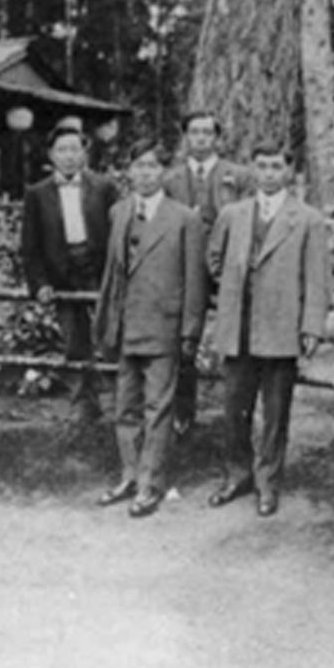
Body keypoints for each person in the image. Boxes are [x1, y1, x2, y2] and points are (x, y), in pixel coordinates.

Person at [204, 140, 330, 518]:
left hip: (280, 329)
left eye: (276, 166)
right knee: (234, 411)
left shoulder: (307, 219)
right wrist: (231, 291)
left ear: (288, 170)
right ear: (253, 170)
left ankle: (267, 483)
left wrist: (310, 327)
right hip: (239, 328)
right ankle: (237, 475)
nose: (269, 173)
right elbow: (214, 259)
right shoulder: (233, 214)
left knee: (275, 414)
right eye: (262, 166)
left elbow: (318, 280)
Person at [93, 139, 208, 518]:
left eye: (152, 167)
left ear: (164, 172)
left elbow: (195, 281)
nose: (145, 173)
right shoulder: (119, 213)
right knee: (125, 406)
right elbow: (113, 274)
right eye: (138, 166)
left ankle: (150, 483)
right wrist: (107, 321)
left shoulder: (184, 219)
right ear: (128, 172)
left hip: (164, 327)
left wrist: (190, 331)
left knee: (158, 408)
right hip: (126, 326)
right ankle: (129, 474)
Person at [19, 117, 122, 428]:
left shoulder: (104, 187)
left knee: (112, 335)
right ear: (51, 155)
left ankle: (124, 402)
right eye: (62, 150)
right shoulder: (37, 194)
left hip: (99, 269)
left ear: (84, 154)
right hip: (62, 274)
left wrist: (118, 275)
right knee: (75, 342)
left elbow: (119, 233)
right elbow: (31, 246)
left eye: (74, 149)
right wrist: (39, 284)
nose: (68, 155)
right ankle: (85, 407)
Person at [161, 111, 255, 437]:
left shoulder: (238, 176)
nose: (201, 138)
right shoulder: (169, 180)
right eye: (194, 132)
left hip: (229, 267)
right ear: (186, 137)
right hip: (184, 268)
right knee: (184, 338)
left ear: (217, 138)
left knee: (236, 337)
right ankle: (183, 413)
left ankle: (238, 414)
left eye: (207, 133)